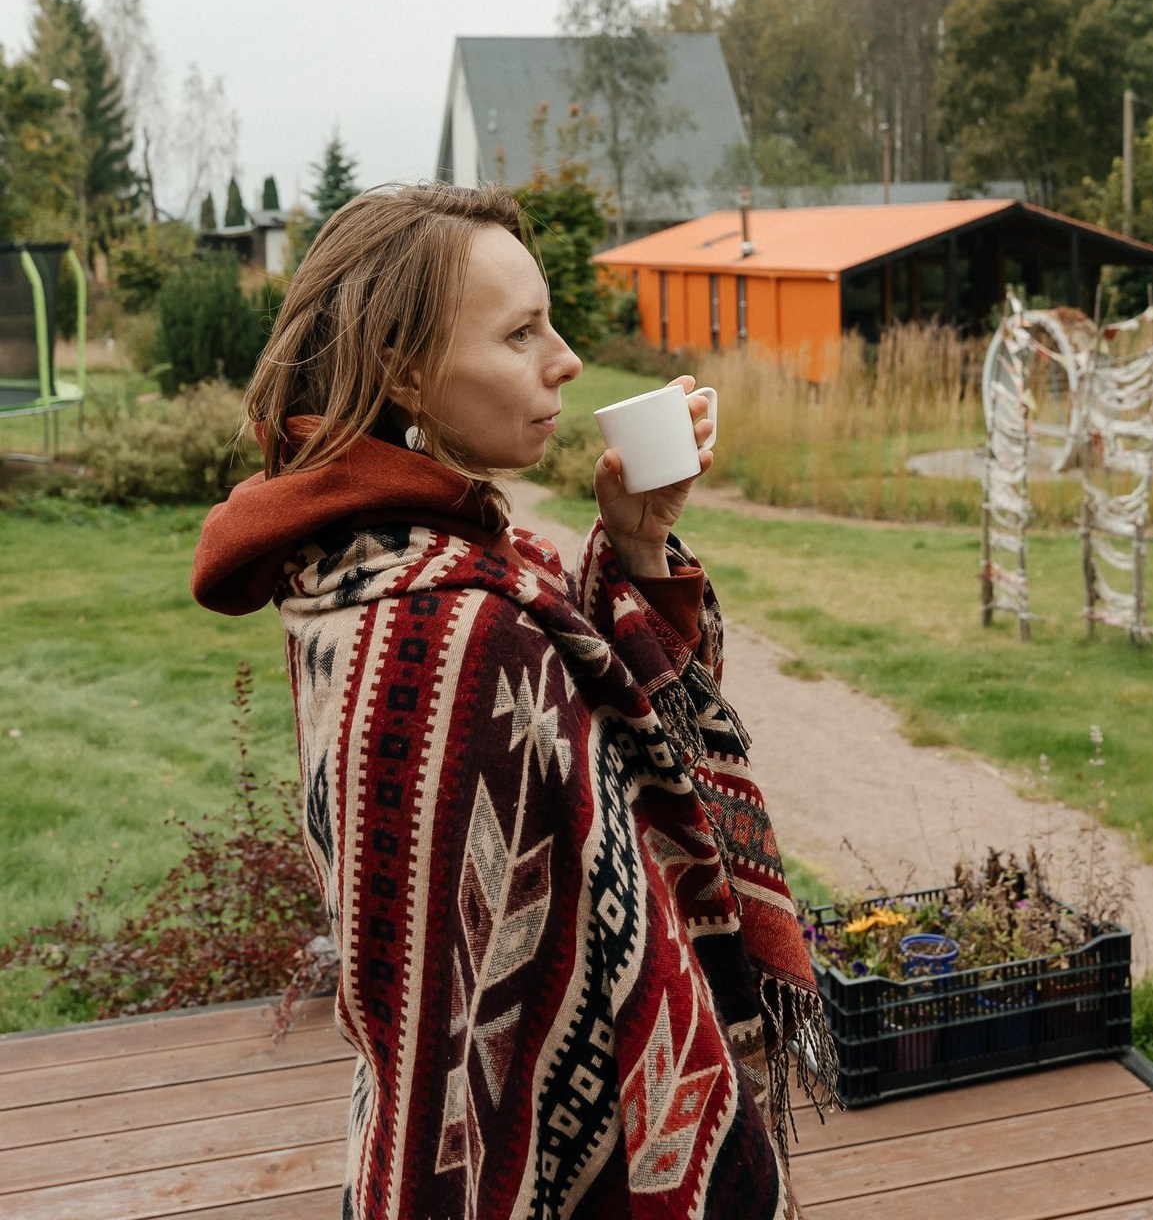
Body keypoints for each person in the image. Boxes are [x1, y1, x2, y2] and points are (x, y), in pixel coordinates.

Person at [191, 182, 836, 1220]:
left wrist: (633, 542)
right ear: (405, 366)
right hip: (550, 1168)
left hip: (462, 1140)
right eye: (521, 330)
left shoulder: (374, 564)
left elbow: (610, 749)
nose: (566, 357)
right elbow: (635, 800)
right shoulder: (448, 623)